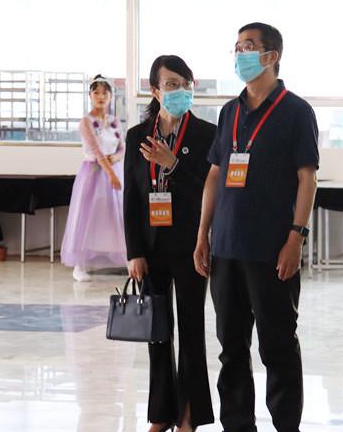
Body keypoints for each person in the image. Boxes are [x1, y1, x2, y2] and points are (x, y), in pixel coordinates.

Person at [194, 22, 319, 432]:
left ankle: (286, 425)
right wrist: (202, 236)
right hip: (226, 249)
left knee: (277, 345)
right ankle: (237, 425)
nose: (239, 54)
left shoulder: (296, 111)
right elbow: (215, 176)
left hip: (270, 249)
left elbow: (307, 179)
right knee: (231, 348)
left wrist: (295, 237)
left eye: (248, 46)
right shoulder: (229, 112)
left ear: (271, 56)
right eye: (236, 47)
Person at [124, 55, 216, 432]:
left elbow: (208, 190)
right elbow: (131, 198)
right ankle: (161, 413)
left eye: (186, 84)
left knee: (192, 330)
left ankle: (190, 412)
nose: (180, 91)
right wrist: (134, 251)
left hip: (192, 244)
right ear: (155, 90)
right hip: (152, 247)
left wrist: (172, 163)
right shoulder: (137, 136)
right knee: (157, 332)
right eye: (172, 84)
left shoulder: (206, 134)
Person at [60, 75, 127, 282]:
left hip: (114, 171)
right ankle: (79, 265)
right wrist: (111, 173)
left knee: (118, 215)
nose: (101, 96)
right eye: (96, 92)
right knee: (86, 216)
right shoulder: (85, 122)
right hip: (93, 174)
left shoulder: (114, 122)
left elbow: (122, 147)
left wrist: (116, 159)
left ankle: (127, 259)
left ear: (111, 96)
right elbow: (96, 151)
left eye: (105, 93)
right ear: (90, 96)